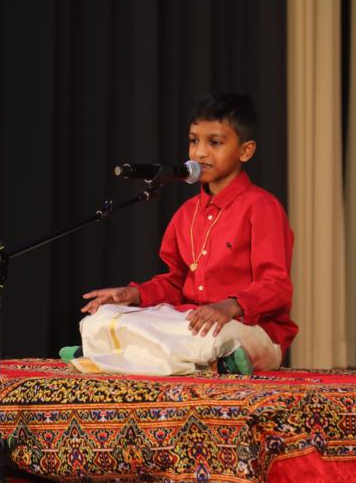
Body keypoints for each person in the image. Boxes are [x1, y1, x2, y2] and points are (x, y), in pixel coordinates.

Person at [63, 92, 296, 376]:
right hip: (189, 322)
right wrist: (134, 293)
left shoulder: (262, 207)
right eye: (194, 141)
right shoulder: (186, 213)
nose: (199, 153)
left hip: (250, 327)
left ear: (245, 151)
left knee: (215, 338)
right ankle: (207, 364)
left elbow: (276, 286)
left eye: (215, 142)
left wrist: (230, 306)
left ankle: (101, 356)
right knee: (103, 318)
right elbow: (175, 283)